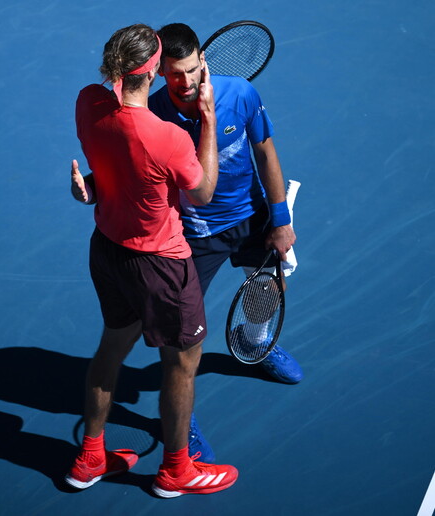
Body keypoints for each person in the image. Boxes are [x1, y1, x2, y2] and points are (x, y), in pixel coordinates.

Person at [72, 23, 302, 386]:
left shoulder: (241, 94)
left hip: (250, 216)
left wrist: (280, 219)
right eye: (175, 73)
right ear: (160, 70)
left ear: (203, 60)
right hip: (192, 233)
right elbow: (128, 168)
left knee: (270, 286)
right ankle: (181, 409)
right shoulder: (154, 115)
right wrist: (92, 185)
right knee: (183, 340)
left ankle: (257, 342)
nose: (185, 80)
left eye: (193, 69)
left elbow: (265, 154)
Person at [65, 23, 238, 498]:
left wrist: (94, 188)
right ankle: (177, 471)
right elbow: (201, 192)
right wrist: (205, 116)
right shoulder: (167, 138)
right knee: (181, 365)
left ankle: (90, 458)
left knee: (111, 350)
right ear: (156, 72)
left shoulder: (87, 102)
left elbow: (117, 165)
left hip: (107, 251)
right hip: (161, 265)